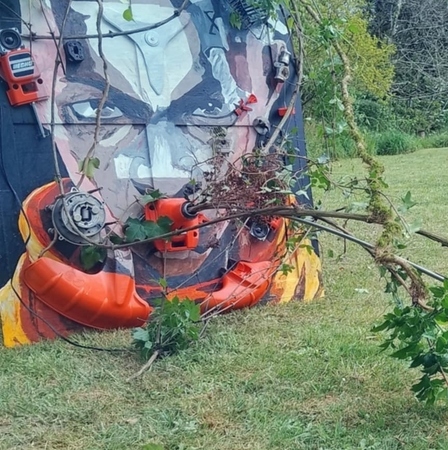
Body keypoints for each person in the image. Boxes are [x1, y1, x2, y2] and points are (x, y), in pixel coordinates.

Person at [0, 0, 322, 347]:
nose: (166, 172)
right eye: (97, 110)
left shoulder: (289, 264)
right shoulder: (22, 301)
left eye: (208, 108)